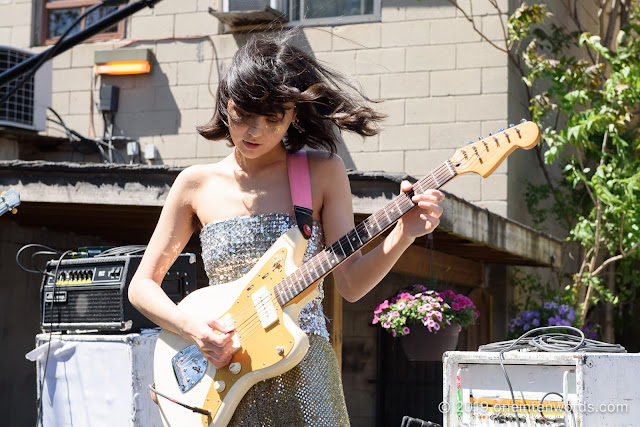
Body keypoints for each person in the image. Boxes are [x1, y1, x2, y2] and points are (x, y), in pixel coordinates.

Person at [128, 32, 445, 426]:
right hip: (221, 375)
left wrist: (403, 234)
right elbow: (141, 287)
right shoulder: (195, 184)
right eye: (243, 114)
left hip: (304, 372)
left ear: (294, 115)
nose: (254, 131)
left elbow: (349, 284)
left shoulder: (323, 171)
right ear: (225, 103)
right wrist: (193, 329)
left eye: (272, 119)